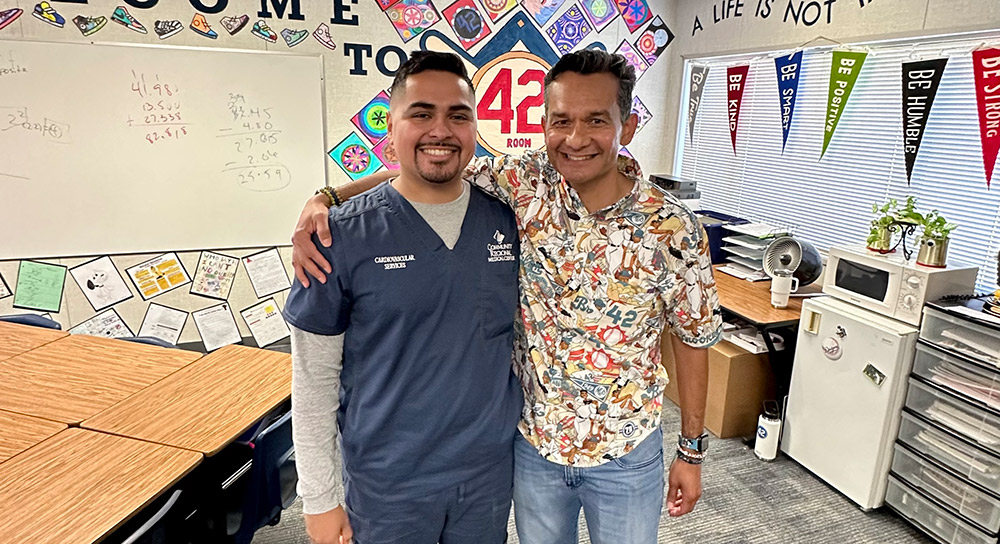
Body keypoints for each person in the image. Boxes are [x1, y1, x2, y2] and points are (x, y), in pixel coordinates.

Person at [292, 50, 722, 544]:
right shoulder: (522, 184)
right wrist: (328, 196)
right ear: (543, 124)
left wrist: (691, 451)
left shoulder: (673, 227)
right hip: (531, 447)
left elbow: (694, 339)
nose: (576, 138)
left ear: (627, 126)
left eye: (596, 121)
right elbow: (424, 170)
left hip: (623, 449)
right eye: (561, 121)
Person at [284, 51, 523, 544]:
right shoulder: (339, 237)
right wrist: (320, 499)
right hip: (387, 485)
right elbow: (313, 383)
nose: (441, 130)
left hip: (487, 478)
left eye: (458, 115)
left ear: (476, 128)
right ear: (391, 130)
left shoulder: (511, 221)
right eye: (421, 114)